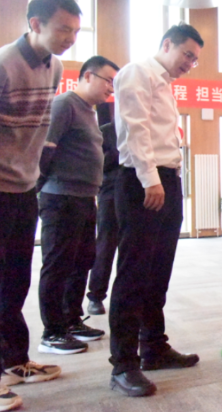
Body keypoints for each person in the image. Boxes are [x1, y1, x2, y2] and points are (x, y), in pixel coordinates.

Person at [109, 23, 203, 397]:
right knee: (134, 273)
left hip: (167, 179)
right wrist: (150, 179)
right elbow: (136, 130)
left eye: (195, 59)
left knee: (158, 271)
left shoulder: (165, 84)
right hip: (142, 181)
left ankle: (153, 347)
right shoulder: (138, 72)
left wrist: (166, 179)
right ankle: (123, 364)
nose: (190, 63)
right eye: (187, 54)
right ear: (166, 45)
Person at [0, 0, 81, 406]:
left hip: (24, 188)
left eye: (76, 31)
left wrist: (31, 177)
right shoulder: (3, 64)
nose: (70, 38)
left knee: (15, 281)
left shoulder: (56, 66)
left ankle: (14, 362)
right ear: (35, 24)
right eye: (63, 28)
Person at [37, 56, 118, 355]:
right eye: (108, 80)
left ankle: (71, 320)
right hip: (61, 198)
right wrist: (40, 190)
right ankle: (52, 333)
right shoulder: (65, 104)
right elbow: (45, 150)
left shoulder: (89, 111)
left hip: (85, 197)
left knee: (82, 260)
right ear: (87, 76)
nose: (111, 88)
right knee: (57, 264)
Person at [86, 108, 121, 316]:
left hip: (136, 191)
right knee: (106, 244)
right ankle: (96, 296)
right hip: (110, 192)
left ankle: (128, 297)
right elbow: (97, 164)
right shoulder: (105, 131)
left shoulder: (142, 129)